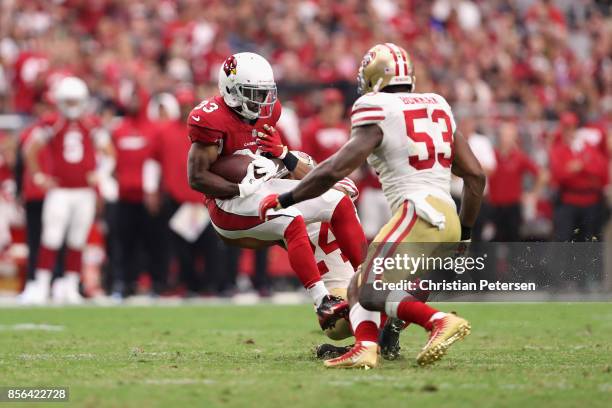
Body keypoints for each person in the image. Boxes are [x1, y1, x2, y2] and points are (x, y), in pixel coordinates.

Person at [260, 43, 485, 368]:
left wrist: (287, 197)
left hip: (418, 212)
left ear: (373, 77)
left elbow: (337, 168)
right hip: (448, 216)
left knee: (366, 286)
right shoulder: (436, 104)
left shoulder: (376, 106)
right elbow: (476, 177)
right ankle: (370, 347)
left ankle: (438, 321)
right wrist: (464, 232)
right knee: (366, 286)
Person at [186, 52, 367, 331]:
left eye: (264, 93)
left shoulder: (270, 113)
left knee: (338, 201)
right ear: (231, 90)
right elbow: (196, 177)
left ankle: (369, 278)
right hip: (228, 203)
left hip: (261, 186)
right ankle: (323, 302)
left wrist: (279, 156)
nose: (261, 102)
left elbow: (267, 164)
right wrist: (238, 186)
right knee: (290, 217)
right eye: (252, 93)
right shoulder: (210, 119)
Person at [19, 76, 115, 304]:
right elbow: (30, 149)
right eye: (68, 101)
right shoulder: (52, 122)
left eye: (75, 101)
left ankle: (70, 285)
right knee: (51, 237)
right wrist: (40, 176)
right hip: (60, 191)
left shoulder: (91, 124)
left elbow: (109, 152)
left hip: (84, 192)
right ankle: (41, 284)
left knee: (77, 239)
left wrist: (100, 174)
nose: (72, 107)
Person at [109, 87, 167, 298]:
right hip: (124, 197)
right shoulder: (119, 129)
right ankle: (124, 283)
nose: (133, 101)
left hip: (147, 197)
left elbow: (160, 163)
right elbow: (111, 160)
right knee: (124, 244)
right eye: (130, 97)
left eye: (136, 97)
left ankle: (156, 283)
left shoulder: (155, 130)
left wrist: (155, 191)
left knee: (153, 243)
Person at [488, 121, 546, 241]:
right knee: (493, 241)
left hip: (513, 206)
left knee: (513, 240)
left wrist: (533, 194)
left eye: (509, 135)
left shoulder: (519, 157)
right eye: (504, 135)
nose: (506, 139)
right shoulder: (491, 155)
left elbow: (541, 174)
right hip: (493, 206)